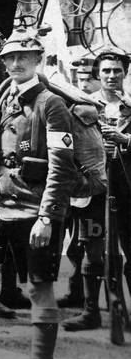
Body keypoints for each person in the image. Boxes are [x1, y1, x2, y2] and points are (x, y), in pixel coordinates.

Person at [0, 28, 79, 359]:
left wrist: (48, 216)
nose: (15, 63)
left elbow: (60, 167)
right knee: (33, 285)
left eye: (24, 56)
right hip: (12, 206)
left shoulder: (50, 103)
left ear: (38, 59)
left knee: (40, 288)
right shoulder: (7, 100)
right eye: (9, 58)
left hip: (37, 210)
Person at [63, 47, 131, 331]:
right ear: (97, 74)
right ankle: (91, 312)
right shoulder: (83, 107)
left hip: (127, 190)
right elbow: (68, 145)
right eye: (106, 71)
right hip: (93, 191)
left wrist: (125, 140)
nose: (111, 76)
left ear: (125, 73)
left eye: (117, 70)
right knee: (92, 250)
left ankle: (124, 311)